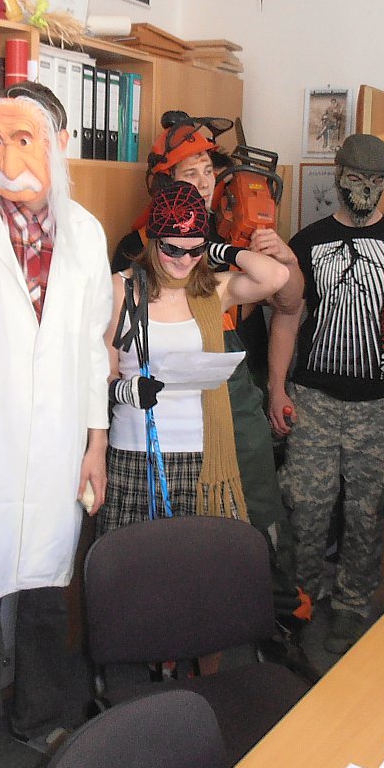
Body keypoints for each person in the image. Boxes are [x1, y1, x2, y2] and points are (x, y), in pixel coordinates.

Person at [0, 87, 111, 768]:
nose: (8, 157)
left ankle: (38, 719)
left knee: (45, 591)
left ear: (58, 147)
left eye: (25, 139)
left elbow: (93, 348)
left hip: (61, 442)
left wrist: (95, 444)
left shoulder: (85, 233)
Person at [111, 116, 308, 636]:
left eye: (207, 170)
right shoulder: (135, 248)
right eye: (189, 171)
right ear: (162, 182)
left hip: (229, 381)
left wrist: (230, 249)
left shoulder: (227, 232)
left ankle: (271, 614)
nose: (202, 182)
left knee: (256, 502)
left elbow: (288, 298)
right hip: (161, 407)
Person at [268, 134, 384, 654]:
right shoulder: (308, 242)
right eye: (356, 178)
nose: (366, 189)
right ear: (338, 177)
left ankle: (353, 606)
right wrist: (276, 388)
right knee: (305, 505)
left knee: (367, 511)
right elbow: (287, 318)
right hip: (313, 396)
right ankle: (301, 600)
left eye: (376, 181)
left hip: (381, 401)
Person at [104, 180, 289, 532]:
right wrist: (125, 390)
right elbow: (102, 372)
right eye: (173, 249)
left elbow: (276, 275)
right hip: (136, 448)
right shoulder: (122, 288)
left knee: (200, 560)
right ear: (154, 241)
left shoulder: (213, 290)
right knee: (134, 559)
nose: (184, 260)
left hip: (203, 452)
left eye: (195, 250)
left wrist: (219, 249)